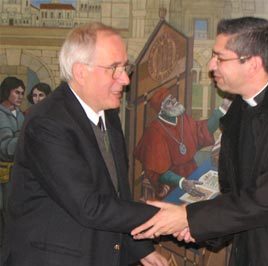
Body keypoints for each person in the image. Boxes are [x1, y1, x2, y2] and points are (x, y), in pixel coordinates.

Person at [131, 17, 268, 266]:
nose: (210, 65)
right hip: (258, 249)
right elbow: (237, 194)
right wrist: (203, 229)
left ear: (253, 64)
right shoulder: (238, 110)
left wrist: (191, 218)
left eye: (220, 57)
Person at [3, 22, 167, 266]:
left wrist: (140, 248)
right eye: (114, 68)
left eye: (125, 67)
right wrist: (168, 217)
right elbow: (89, 205)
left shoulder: (108, 113)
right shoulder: (47, 123)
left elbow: (116, 193)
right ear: (81, 71)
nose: (125, 79)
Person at [134, 87, 229, 199]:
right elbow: (158, 172)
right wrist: (181, 182)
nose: (174, 101)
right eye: (169, 102)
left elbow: (201, 131)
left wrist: (222, 110)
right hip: (172, 184)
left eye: (173, 98)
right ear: (161, 110)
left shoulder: (181, 118)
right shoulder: (154, 132)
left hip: (193, 173)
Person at [0, 76, 25, 245]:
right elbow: (5, 148)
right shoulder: (1, 115)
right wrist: (24, 137)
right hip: (4, 177)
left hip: (17, 175)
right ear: (7, 91)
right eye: (17, 92)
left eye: (22, 93)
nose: (20, 96)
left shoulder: (20, 115)